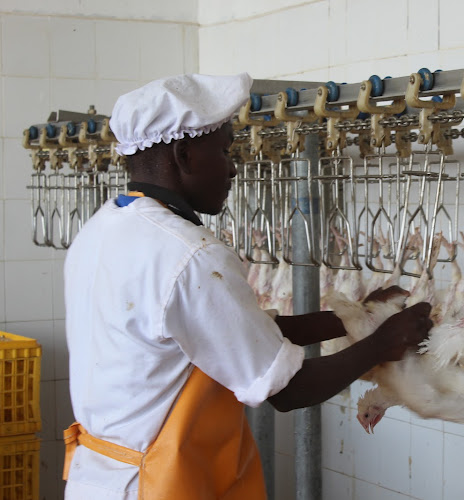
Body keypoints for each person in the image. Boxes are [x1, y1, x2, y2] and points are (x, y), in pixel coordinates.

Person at [62, 73, 433, 499]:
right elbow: (290, 390)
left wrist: (354, 317)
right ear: (183, 155)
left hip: (102, 474)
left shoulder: (106, 226)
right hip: (156, 483)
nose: (234, 167)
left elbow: (237, 334)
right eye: (223, 151)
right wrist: (383, 343)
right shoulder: (190, 254)